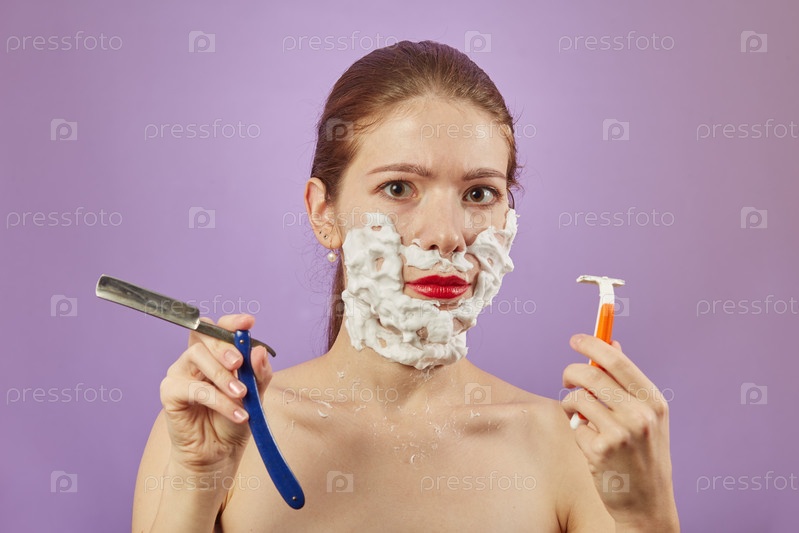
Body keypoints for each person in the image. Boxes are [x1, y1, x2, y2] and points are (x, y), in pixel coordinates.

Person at [132, 40, 679, 532]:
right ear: (323, 213)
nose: (447, 236)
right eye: (399, 187)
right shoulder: (218, 434)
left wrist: (647, 514)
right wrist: (196, 480)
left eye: (479, 194)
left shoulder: (572, 449)